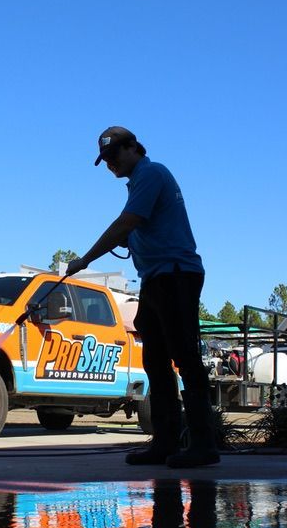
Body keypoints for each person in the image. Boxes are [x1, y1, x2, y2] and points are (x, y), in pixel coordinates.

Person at [66, 126, 219, 467]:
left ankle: (203, 445)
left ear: (133, 147)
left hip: (177, 274)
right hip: (156, 278)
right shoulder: (139, 184)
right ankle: (165, 442)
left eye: (114, 156)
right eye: (105, 160)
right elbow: (138, 231)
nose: (110, 165)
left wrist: (85, 260)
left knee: (185, 356)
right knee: (154, 359)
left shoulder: (151, 173)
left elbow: (125, 223)